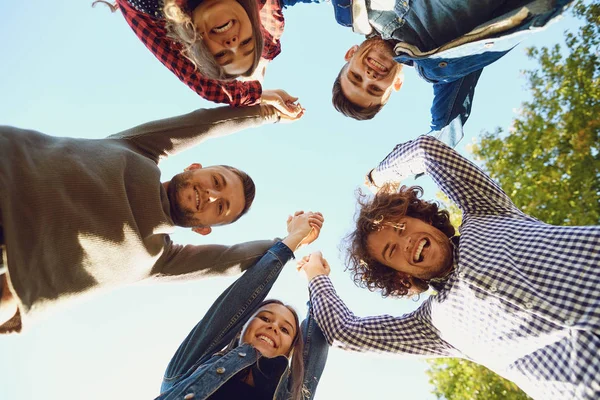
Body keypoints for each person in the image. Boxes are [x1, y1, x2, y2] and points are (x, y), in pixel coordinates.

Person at [300, 135, 600, 399]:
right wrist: (317, 277)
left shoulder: (485, 212)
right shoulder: (434, 326)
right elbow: (344, 333)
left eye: (402, 227)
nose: (406, 242)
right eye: (392, 250)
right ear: (399, 275)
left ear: (425, 219)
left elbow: (427, 150)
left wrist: (379, 177)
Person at [0, 104, 308, 334]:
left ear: (203, 229)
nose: (212, 196)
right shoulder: (139, 150)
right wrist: (266, 111)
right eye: (216, 181)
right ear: (194, 166)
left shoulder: (160, 259)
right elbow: (202, 124)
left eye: (221, 208)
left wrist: (290, 241)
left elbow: (231, 259)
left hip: (12, 276)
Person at [330, 0, 573, 144]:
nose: (369, 77)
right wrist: (387, 174)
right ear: (397, 84)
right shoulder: (439, 63)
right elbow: (444, 132)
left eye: (356, 77)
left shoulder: (353, 10)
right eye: (374, 89)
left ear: (350, 54)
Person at [156, 211, 328, 400]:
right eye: (264, 318)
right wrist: (293, 239)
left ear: (289, 350)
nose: (273, 327)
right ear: (240, 328)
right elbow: (237, 302)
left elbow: (321, 328)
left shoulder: (294, 394)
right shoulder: (189, 370)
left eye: (286, 330)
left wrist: (316, 276)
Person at [95, 0, 320, 114]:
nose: (232, 44)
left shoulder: (155, 6)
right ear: (253, 24)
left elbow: (208, 88)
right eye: (245, 43)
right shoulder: (256, 12)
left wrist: (263, 94)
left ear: (198, 41)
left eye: (222, 54)